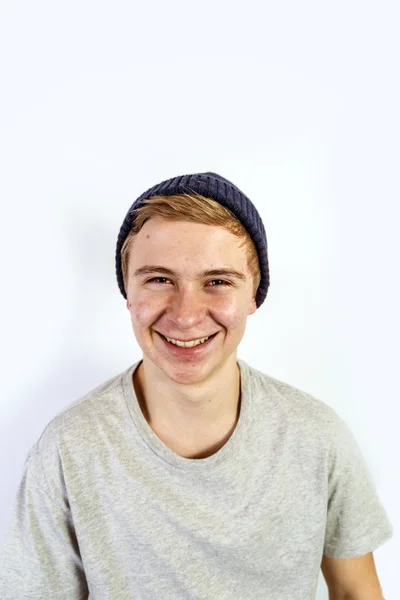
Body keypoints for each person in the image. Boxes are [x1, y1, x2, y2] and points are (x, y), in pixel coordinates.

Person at [0, 172, 393, 599]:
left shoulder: (318, 438)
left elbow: (357, 591)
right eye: (159, 279)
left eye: (217, 281)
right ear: (127, 293)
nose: (186, 316)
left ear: (254, 296)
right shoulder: (67, 449)